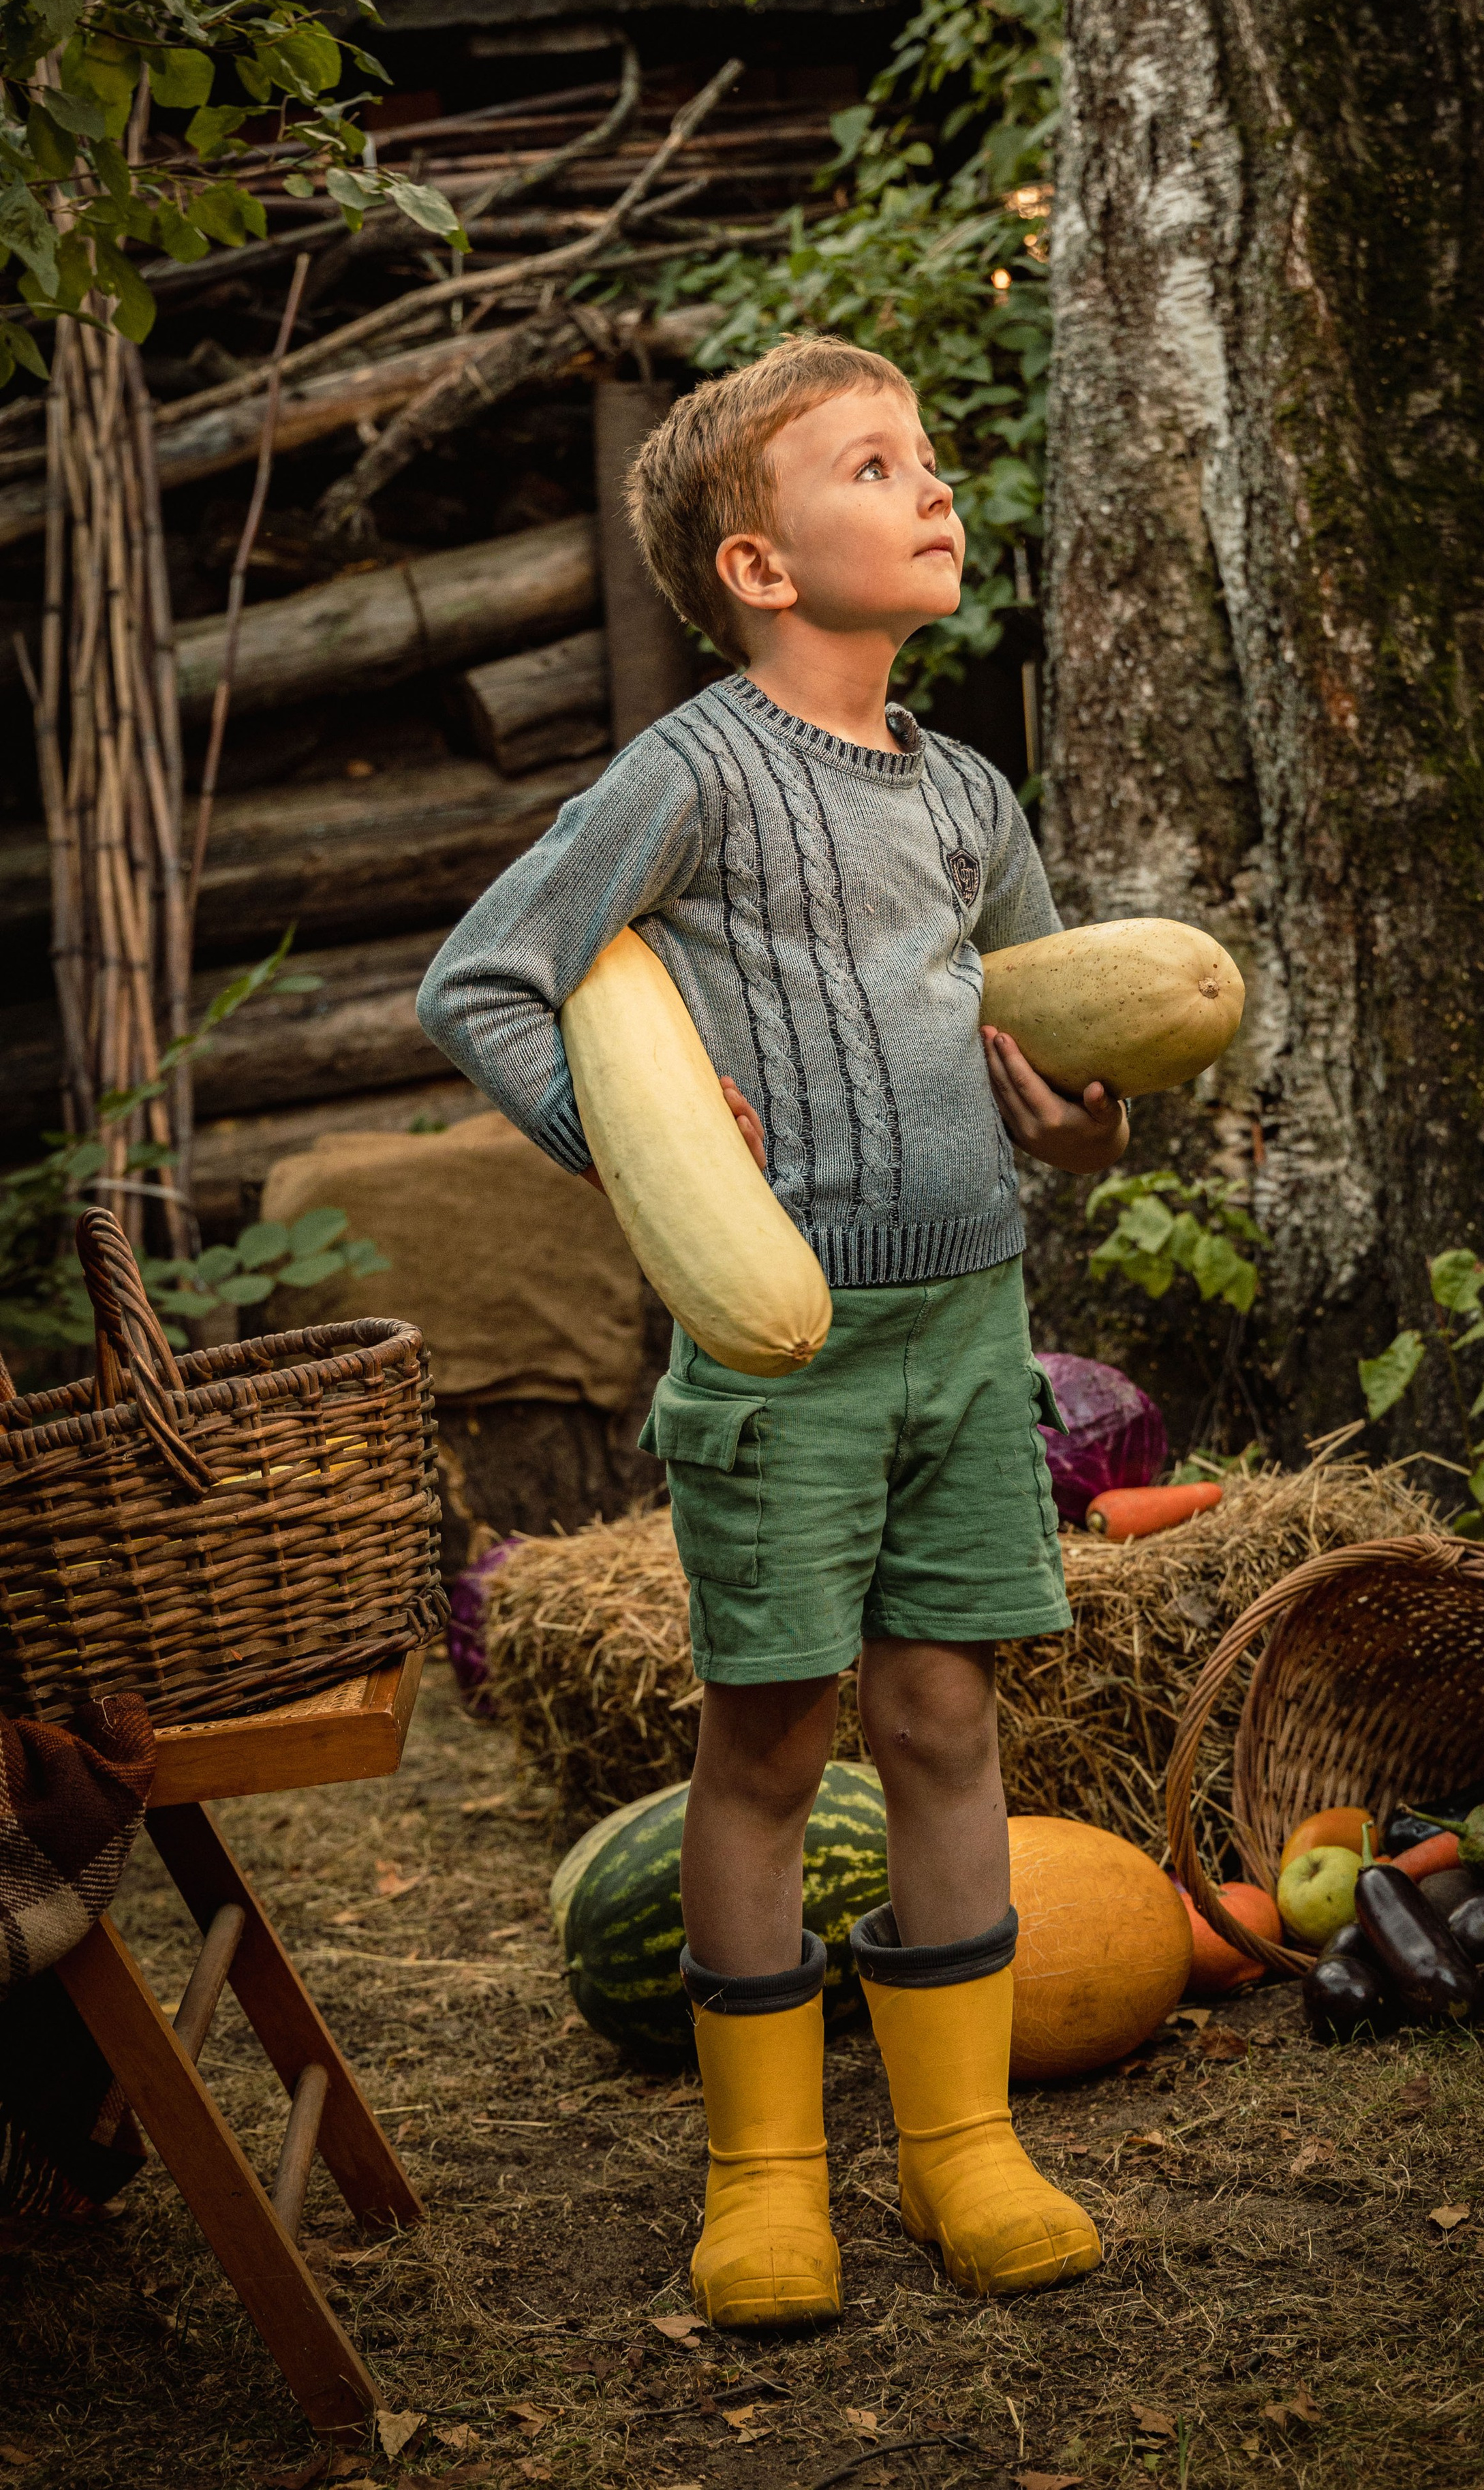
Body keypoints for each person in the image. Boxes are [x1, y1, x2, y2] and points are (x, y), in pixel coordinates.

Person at [416, 333, 1130, 2328]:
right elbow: (484, 984)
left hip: (966, 1329)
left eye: (932, 458)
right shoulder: (692, 773)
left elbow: (1049, 1049)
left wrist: (1089, 1124)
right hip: (780, 1347)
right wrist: (631, 1140)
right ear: (756, 564)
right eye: (875, 465)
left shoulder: (973, 795)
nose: (933, 489)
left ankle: (961, 2153)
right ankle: (764, 2178)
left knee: (942, 1720)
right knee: (768, 1742)